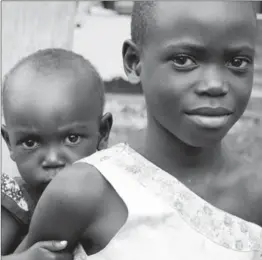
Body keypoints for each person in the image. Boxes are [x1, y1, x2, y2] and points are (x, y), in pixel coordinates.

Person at [17, 2, 262, 260]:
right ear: (134, 62)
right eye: (183, 60)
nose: (215, 85)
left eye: (237, 61)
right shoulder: (84, 192)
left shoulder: (255, 193)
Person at [1, 48, 113, 259]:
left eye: (71, 139)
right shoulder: (14, 200)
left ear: (103, 132)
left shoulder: (110, 194)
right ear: (9, 142)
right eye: (31, 142)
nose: (52, 159)